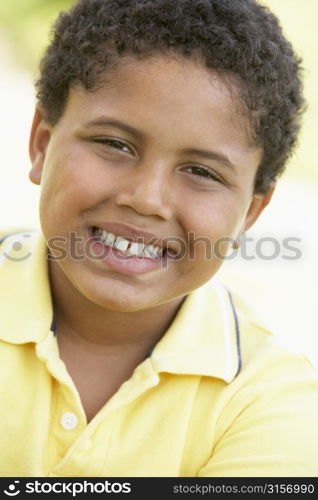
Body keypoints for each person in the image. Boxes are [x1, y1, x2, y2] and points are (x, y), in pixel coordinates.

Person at [1, 0, 317, 477]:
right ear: (43, 143)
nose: (147, 200)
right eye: (115, 144)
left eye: (200, 171)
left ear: (251, 211)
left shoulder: (270, 401)